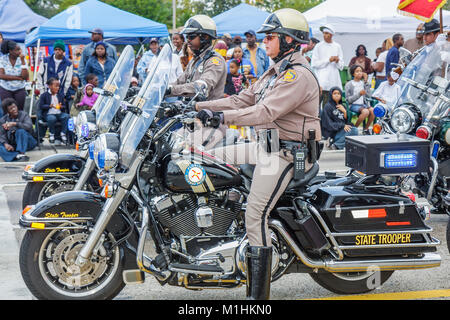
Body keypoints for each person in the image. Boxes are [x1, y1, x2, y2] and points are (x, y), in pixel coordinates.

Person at [194, 8, 320, 300]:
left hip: (289, 155)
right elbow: (241, 98)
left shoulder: (296, 76)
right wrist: (199, 107)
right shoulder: (274, 71)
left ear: (290, 40)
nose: (265, 41)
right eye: (265, 37)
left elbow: (265, 111)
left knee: (256, 214)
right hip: (266, 147)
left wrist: (222, 119)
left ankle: (258, 296)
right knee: (210, 159)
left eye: (271, 37)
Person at [166, 15, 227, 101]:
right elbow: (180, 81)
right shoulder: (195, 59)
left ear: (205, 37)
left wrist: (171, 90)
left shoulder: (215, 61)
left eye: (191, 36)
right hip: (191, 110)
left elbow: (201, 86)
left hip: (208, 112)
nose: (188, 40)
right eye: (186, 37)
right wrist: (162, 88)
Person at [311, 24, 344, 108]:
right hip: (322, 81)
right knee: (316, 106)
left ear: (331, 35)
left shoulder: (337, 46)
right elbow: (314, 64)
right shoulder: (318, 46)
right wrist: (328, 60)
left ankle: (328, 121)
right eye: (323, 33)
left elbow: (341, 66)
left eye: (326, 33)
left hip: (333, 82)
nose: (324, 35)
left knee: (330, 107)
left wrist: (337, 61)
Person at [0, 40, 29, 113]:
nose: (20, 51)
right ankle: (8, 124)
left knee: (19, 110)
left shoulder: (22, 59)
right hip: (5, 88)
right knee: (7, 110)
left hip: (19, 88)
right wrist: (18, 78)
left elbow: (25, 76)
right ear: (10, 51)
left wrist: (22, 61)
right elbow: (1, 75)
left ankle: (18, 124)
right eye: (17, 50)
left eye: (20, 49)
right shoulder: (3, 59)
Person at [38, 78, 70, 144]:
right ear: (49, 86)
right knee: (52, 118)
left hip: (58, 113)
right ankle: (51, 133)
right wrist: (49, 106)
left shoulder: (60, 95)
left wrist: (61, 106)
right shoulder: (44, 95)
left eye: (58, 86)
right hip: (49, 113)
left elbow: (64, 106)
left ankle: (63, 133)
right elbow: (41, 106)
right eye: (56, 86)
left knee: (66, 116)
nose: (57, 88)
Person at [345, 65, 373, 134]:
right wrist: (359, 94)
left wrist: (366, 82)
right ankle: (354, 128)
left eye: (361, 71)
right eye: (357, 71)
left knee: (372, 110)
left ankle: (366, 129)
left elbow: (369, 95)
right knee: (366, 112)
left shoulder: (363, 83)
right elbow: (348, 100)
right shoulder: (349, 84)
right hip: (353, 105)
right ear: (353, 73)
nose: (359, 73)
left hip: (363, 105)